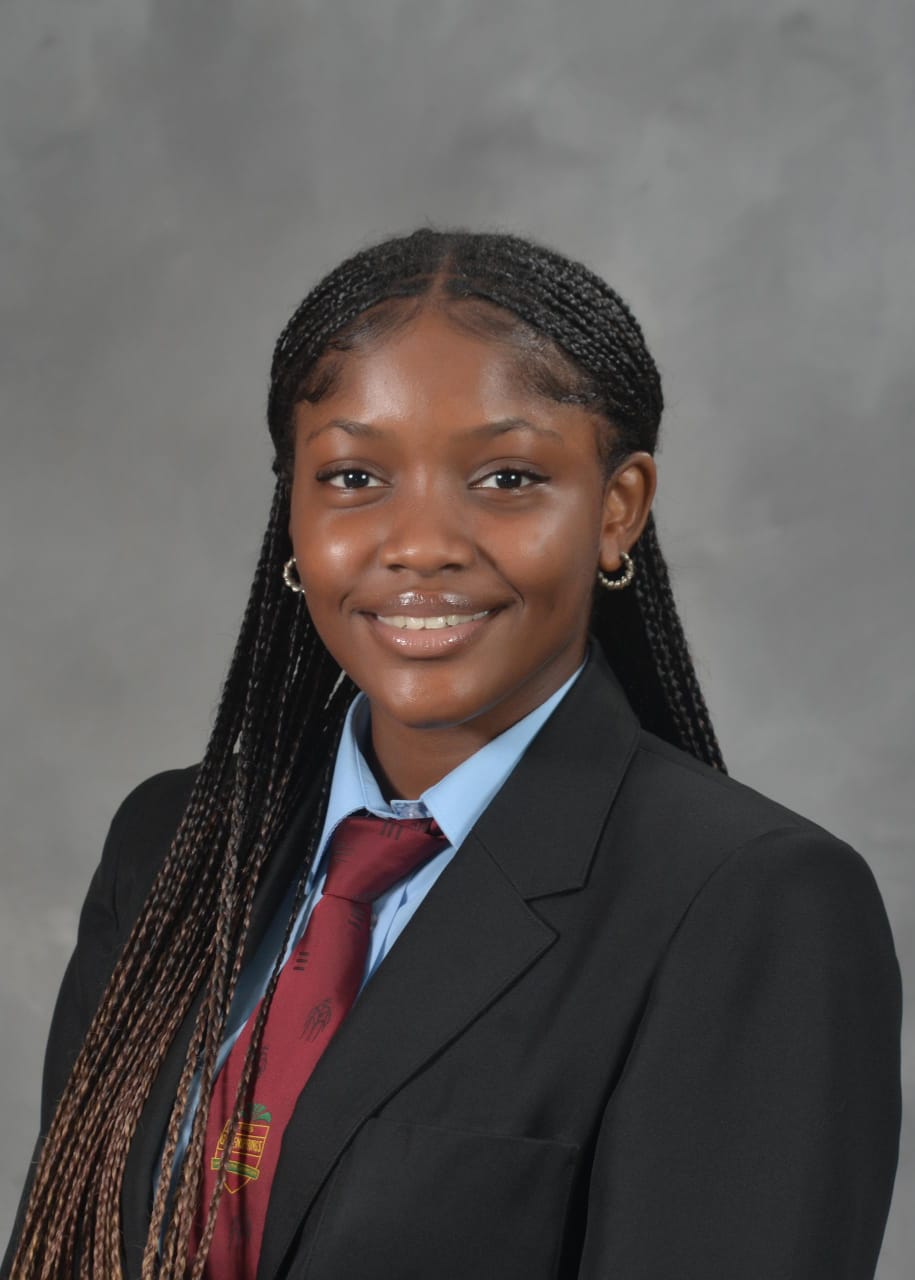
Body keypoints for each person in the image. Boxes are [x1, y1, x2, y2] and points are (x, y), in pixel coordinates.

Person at [3, 229, 901, 1280]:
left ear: (617, 509)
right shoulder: (174, 844)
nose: (421, 543)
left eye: (507, 476)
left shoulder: (751, 904)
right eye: (353, 475)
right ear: (292, 508)